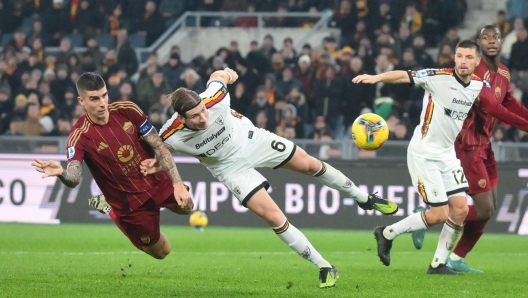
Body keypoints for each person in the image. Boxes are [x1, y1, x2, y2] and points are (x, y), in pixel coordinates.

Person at [90, 67, 398, 288]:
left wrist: (228, 72)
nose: (203, 117)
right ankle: (324, 266)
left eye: (202, 111)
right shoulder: (170, 133)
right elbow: (157, 153)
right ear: (181, 119)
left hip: (252, 139)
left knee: (310, 164)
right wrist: (154, 166)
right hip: (229, 168)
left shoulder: (213, 99)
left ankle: (365, 198)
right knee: (273, 215)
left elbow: (220, 76)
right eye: (195, 117)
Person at [352, 40, 486, 274]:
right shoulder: (438, 77)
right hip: (424, 152)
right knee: (439, 213)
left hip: (447, 155)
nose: (463, 61)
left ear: (477, 62)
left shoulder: (478, 85)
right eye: (459, 56)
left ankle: (438, 264)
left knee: (460, 210)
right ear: (454, 58)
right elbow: (404, 75)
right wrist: (376, 78)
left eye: (468, 57)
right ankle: (386, 233)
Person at [31, 73, 193, 260]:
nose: (102, 103)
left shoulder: (128, 109)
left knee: (187, 206)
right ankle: (110, 209)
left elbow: (158, 145)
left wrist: (177, 183)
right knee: (161, 252)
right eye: (94, 99)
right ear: (81, 100)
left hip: (155, 181)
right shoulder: (79, 136)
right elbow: (74, 178)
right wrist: (61, 173)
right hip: (129, 204)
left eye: (104, 95)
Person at [412, 26, 528, 273]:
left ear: (501, 41)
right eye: (486, 38)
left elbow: (509, 103)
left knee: (489, 209)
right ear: (478, 44)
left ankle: (456, 256)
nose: (492, 41)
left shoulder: (504, 73)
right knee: (484, 208)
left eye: (496, 37)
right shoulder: (475, 73)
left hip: (486, 145)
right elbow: (496, 110)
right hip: (467, 145)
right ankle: (430, 217)